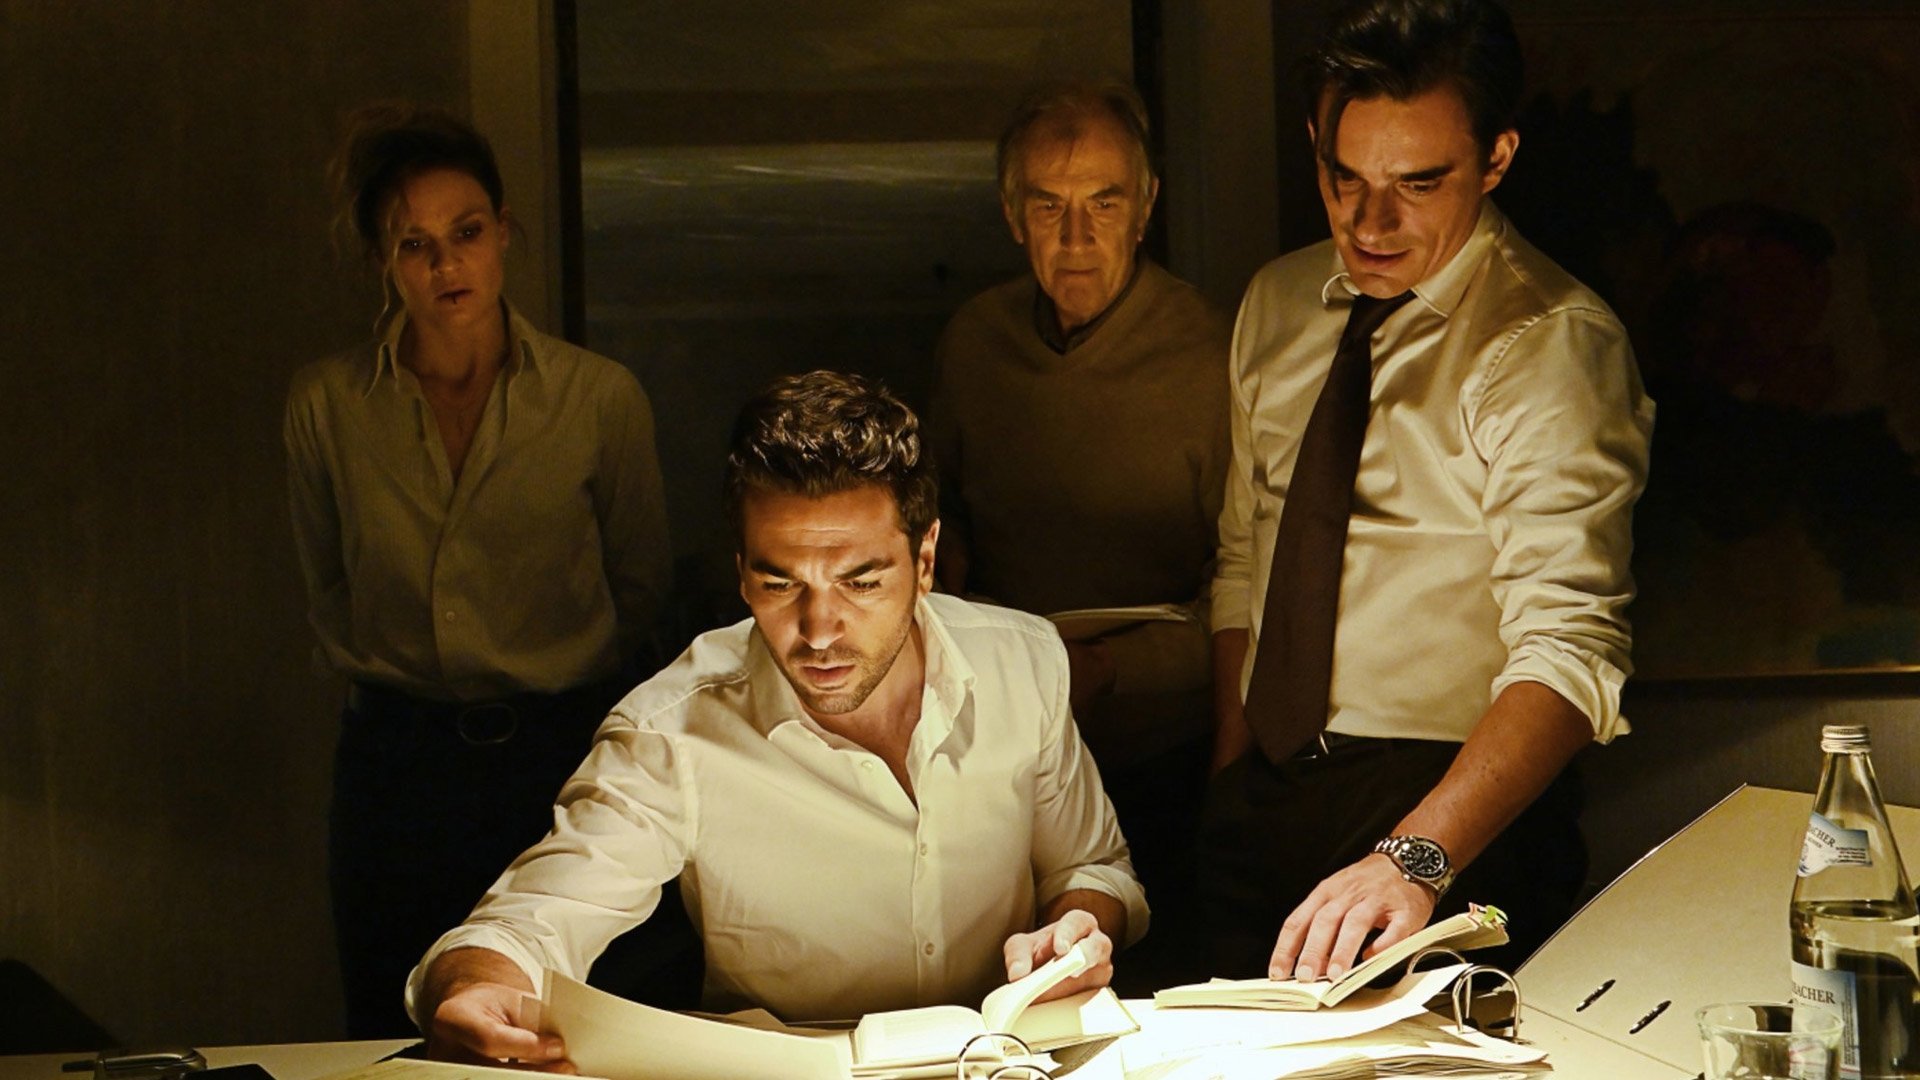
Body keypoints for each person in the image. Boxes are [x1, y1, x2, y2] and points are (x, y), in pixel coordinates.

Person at [408, 371, 1147, 1065]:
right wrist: (470, 987)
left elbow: (1092, 867)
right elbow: (530, 919)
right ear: (740, 571)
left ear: (925, 559)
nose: (819, 630)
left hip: (1005, 1065)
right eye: (779, 583)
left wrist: (1077, 927)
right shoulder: (672, 732)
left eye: (860, 582)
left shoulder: (1025, 663)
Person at [1201, 0, 1654, 984]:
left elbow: (1572, 649)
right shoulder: (1276, 304)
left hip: (1448, 814)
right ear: (1315, 143)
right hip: (1264, 798)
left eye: (1419, 182)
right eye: (1346, 178)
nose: (1372, 223)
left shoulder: (1550, 345)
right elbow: (1246, 554)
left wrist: (1418, 857)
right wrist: (1232, 773)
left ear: (1495, 160)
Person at [283, 103, 676, 1037]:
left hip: (557, 750)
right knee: (392, 1021)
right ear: (385, 260)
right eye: (414, 244)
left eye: (464, 233)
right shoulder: (330, 405)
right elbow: (327, 581)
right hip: (397, 760)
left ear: (503, 233)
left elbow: (642, 587)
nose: (445, 265)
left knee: (568, 1021)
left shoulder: (594, 398)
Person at [926, 81, 1229, 978]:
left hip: (1165, 737)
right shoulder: (975, 343)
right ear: (1011, 215)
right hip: (1004, 737)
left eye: (1103, 203)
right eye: (1048, 206)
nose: (1076, 237)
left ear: (1146, 207)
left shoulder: (1213, 353)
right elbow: (938, 528)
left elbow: (1250, 582)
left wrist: (1111, 671)